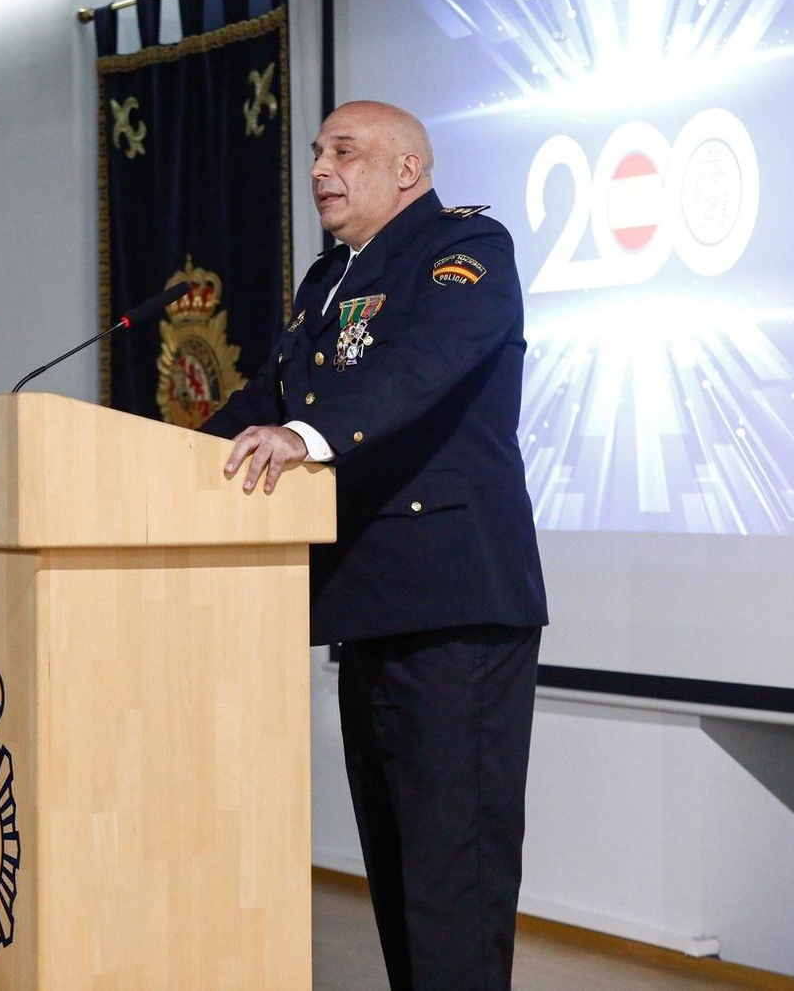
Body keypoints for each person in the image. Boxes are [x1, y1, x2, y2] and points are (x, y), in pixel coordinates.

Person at [201, 101, 548, 991]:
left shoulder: (463, 251)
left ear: (407, 169)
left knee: (451, 880)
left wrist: (307, 439)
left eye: (343, 150)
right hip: (370, 605)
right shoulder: (330, 281)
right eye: (317, 151)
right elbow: (266, 398)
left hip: (455, 609)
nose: (320, 166)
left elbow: (419, 367)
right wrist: (171, 454)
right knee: (395, 875)